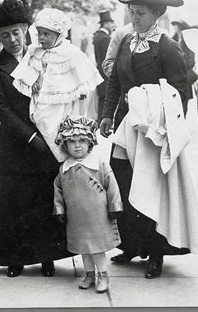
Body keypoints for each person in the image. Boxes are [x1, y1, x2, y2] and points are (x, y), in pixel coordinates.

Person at [99, 0, 190, 279]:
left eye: (140, 14)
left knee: (151, 191)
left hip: (153, 132)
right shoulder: (127, 41)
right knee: (122, 184)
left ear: (157, 13)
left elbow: (180, 94)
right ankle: (130, 244)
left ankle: (155, 253)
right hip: (126, 128)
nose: (134, 19)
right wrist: (107, 115)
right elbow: (115, 81)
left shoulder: (168, 47)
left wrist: (166, 133)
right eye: (131, 13)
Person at [0, 0, 71, 278]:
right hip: (16, 142)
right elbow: (2, 109)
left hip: (48, 138)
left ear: (26, 31)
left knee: (45, 199)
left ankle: (48, 257)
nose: (12, 40)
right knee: (15, 201)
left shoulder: (44, 57)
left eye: (16, 33)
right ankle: (15, 259)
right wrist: (31, 137)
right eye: (4, 35)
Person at [11, 7, 103, 163]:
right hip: (42, 99)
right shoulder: (36, 51)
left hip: (64, 102)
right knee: (42, 120)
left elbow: (85, 78)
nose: (41, 38)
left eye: (46, 34)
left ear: (59, 35)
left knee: (61, 130)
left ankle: (63, 159)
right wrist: (32, 81)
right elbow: (30, 72)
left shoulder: (71, 53)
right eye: (39, 33)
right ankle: (53, 156)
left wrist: (80, 90)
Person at [53, 115, 123, 293]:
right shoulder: (64, 168)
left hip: (97, 216)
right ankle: (89, 274)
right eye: (72, 142)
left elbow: (111, 185)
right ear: (65, 144)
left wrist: (114, 206)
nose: (77, 145)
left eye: (82, 141)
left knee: (97, 248)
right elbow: (58, 190)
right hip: (77, 218)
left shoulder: (98, 164)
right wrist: (59, 209)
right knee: (84, 248)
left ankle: (103, 275)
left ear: (90, 142)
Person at [92, 10, 115, 123]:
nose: (112, 26)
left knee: (102, 98)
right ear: (106, 23)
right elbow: (108, 58)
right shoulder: (105, 38)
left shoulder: (97, 36)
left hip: (99, 70)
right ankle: (103, 120)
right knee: (106, 97)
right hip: (105, 72)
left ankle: (100, 119)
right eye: (110, 23)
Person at [172, 19, 198, 104]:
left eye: (177, 25)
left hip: (185, 76)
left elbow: (190, 61)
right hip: (174, 76)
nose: (175, 27)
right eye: (175, 25)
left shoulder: (187, 42)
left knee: (183, 101)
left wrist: (179, 62)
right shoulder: (172, 41)